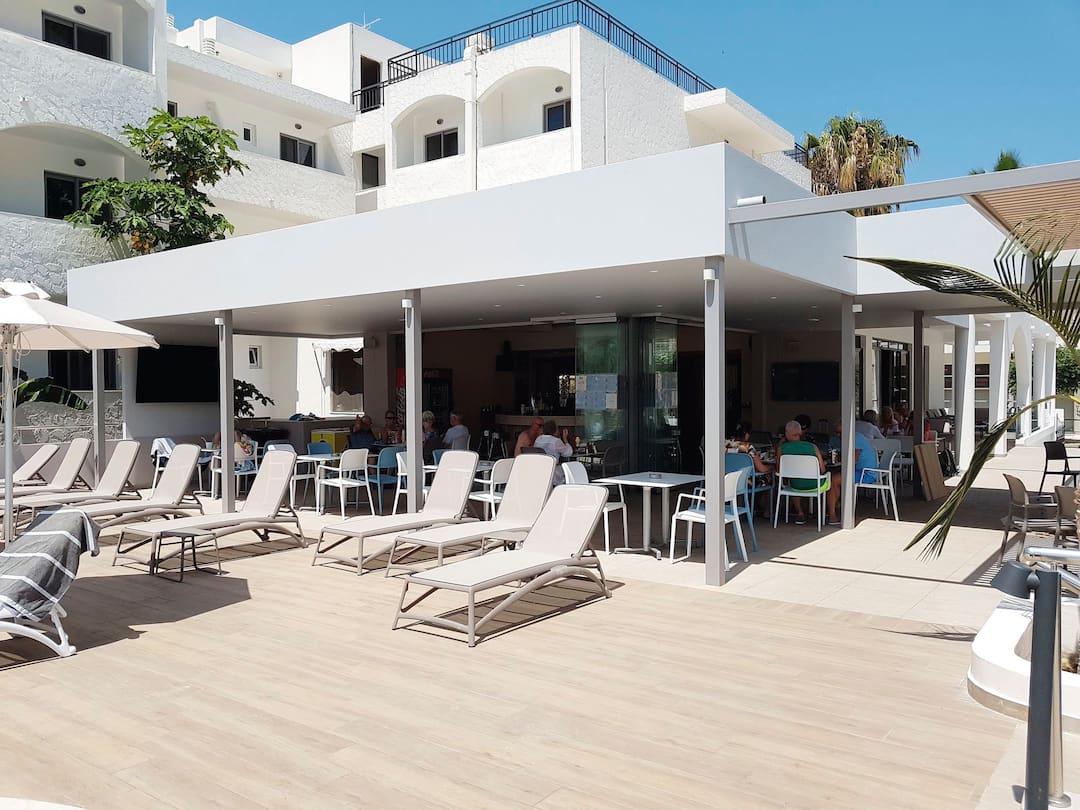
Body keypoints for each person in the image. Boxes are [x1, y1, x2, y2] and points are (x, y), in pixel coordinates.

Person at [824, 421, 876, 526]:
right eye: (836, 432)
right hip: (861, 470)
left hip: (866, 474)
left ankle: (832, 515)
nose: (838, 435)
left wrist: (839, 459)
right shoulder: (854, 437)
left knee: (833, 480)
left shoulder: (855, 439)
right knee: (835, 476)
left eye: (840, 432)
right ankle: (835, 505)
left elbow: (853, 460)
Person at [775, 420, 825, 525]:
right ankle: (828, 513)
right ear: (800, 433)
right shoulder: (813, 447)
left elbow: (780, 470)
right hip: (815, 485)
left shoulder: (781, 449)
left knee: (793, 480)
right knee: (830, 477)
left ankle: (800, 512)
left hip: (796, 486)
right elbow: (822, 469)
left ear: (786, 433)